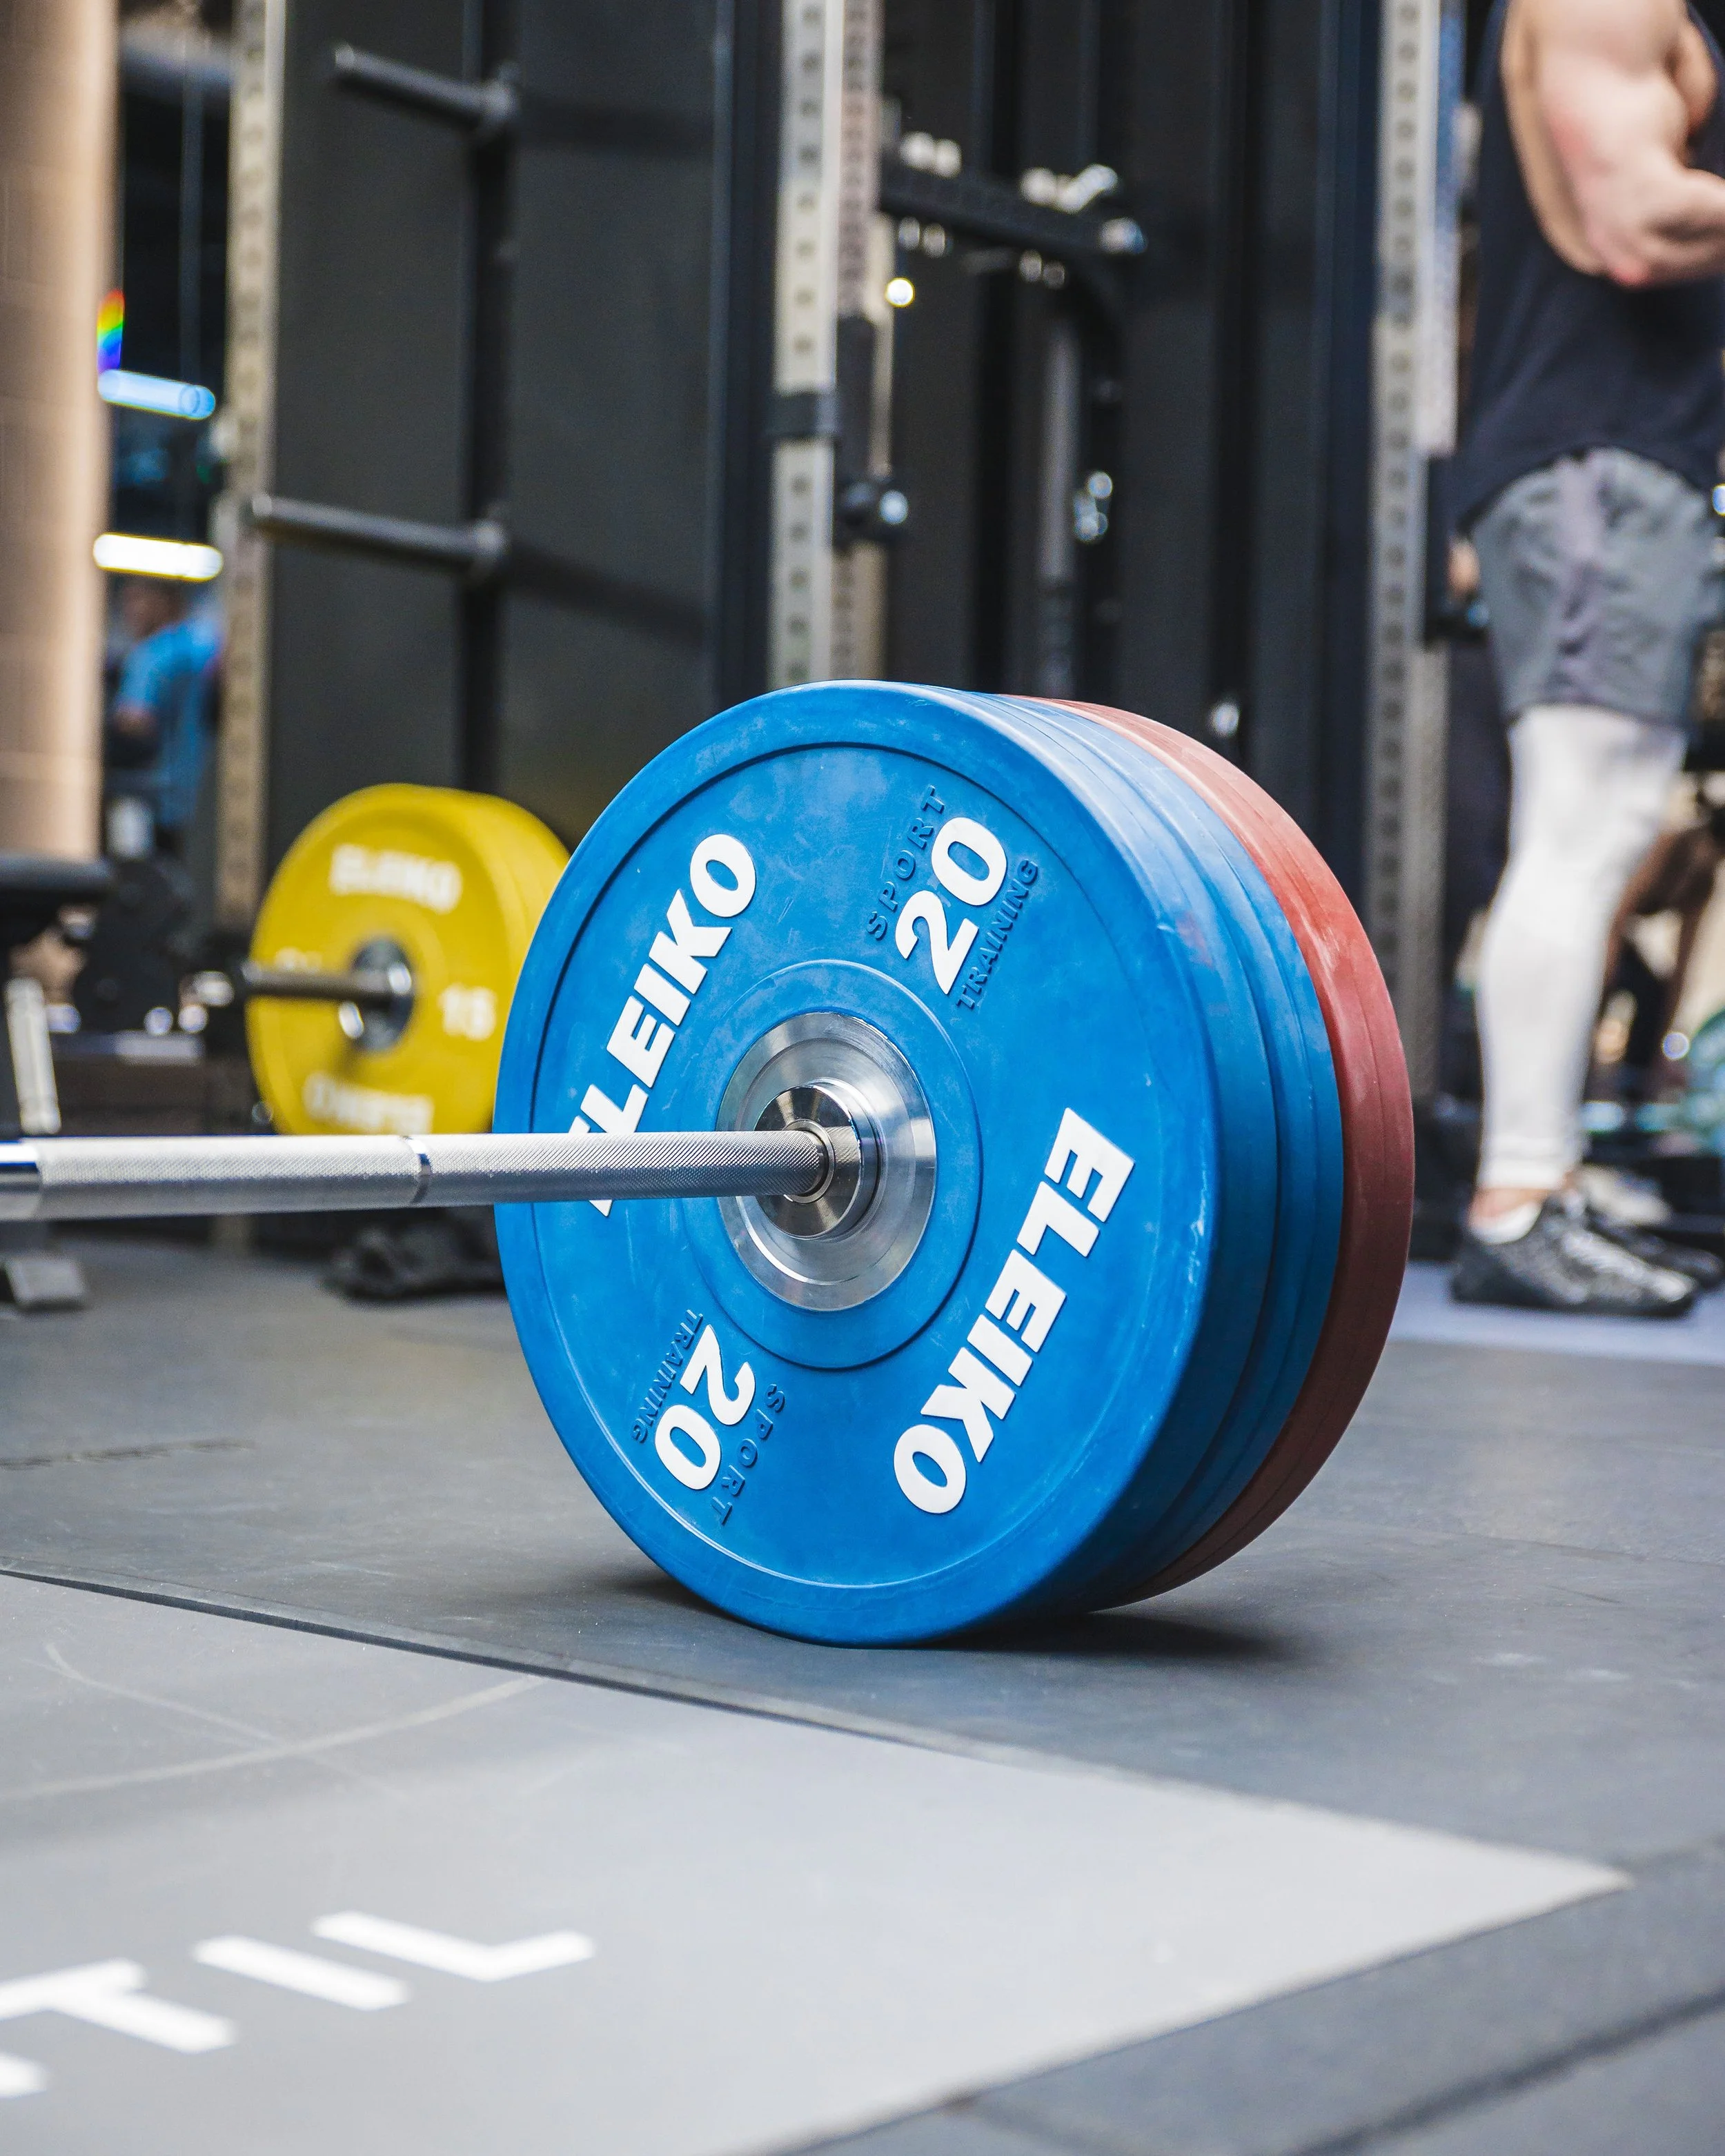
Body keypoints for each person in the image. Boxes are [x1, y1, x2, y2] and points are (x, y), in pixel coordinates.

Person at [1449, 0, 1725, 1315]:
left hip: (1630, 459)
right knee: (1583, 816)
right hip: (1593, 459)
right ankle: (1516, 1196)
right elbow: (1632, 220)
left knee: (1609, 819)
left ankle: (1546, 1176)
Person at [106, 578, 221, 859]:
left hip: (161, 802)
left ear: (165, 601)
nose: (131, 611)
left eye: (139, 600)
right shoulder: (207, 643)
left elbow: (134, 720)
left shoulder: (152, 655)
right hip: (208, 797)